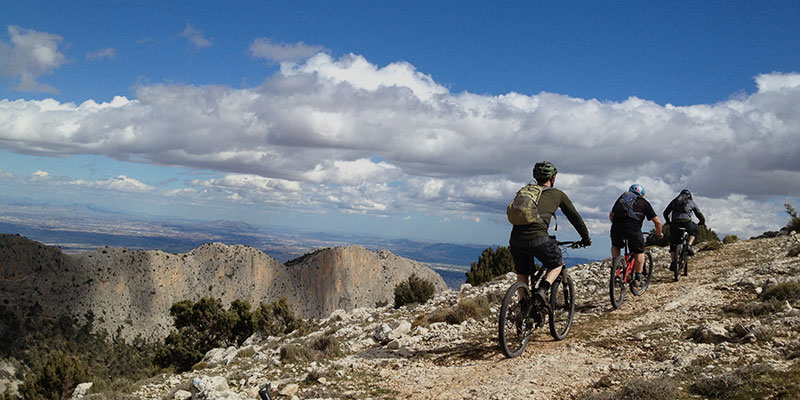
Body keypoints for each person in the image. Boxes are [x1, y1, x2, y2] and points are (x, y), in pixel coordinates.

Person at [509, 161, 592, 308]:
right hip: (538, 239)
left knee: (522, 273)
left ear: (535, 177)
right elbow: (575, 218)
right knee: (557, 262)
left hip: (515, 239)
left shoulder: (524, 191)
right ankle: (543, 289)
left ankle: (522, 308)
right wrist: (585, 238)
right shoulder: (558, 194)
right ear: (553, 178)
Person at [609, 184, 663, 284]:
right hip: (633, 229)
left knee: (616, 245)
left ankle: (616, 272)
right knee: (639, 251)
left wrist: (616, 225)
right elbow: (657, 222)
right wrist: (659, 234)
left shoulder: (622, 198)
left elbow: (611, 215)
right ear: (642, 194)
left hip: (616, 226)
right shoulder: (644, 202)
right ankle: (638, 277)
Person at [663, 189, 706, 271]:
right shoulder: (690, 202)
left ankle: (673, 262)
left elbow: (665, 213)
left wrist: (668, 222)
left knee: (673, 242)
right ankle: (689, 245)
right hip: (687, 222)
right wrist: (702, 222)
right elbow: (699, 214)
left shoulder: (674, 201)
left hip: (675, 223)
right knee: (694, 230)